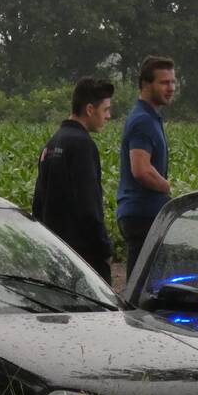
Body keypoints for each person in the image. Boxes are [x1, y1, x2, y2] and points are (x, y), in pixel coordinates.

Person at [32, 77, 115, 283]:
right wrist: (104, 247)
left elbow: (38, 202)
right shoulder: (82, 144)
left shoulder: (52, 143)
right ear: (89, 109)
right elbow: (89, 205)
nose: (108, 116)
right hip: (83, 258)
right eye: (105, 110)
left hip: (55, 252)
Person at [115, 56, 177, 278]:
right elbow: (140, 170)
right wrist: (166, 187)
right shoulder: (142, 120)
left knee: (146, 283)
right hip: (143, 215)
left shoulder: (149, 118)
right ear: (145, 84)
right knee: (143, 286)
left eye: (172, 82)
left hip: (145, 214)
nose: (170, 88)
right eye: (164, 82)